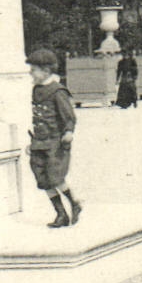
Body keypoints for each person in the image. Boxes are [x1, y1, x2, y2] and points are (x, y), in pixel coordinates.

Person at [26, 49, 81, 228]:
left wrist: (69, 132)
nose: (31, 73)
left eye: (33, 69)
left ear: (46, 70)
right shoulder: (37, 90)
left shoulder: (57, 91)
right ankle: (61, 214)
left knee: (55, 177)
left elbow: (69, 116)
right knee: (42, 180)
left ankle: (74, 203)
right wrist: (33, 142)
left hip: (55, 143)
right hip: (39, 143)